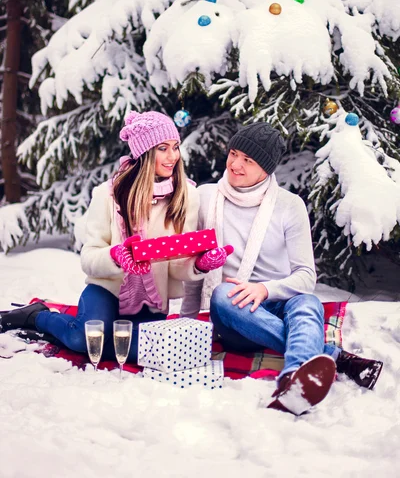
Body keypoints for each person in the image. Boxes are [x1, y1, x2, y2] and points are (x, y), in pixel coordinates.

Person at [181, 122, 383, 415]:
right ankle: (334, 357)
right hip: (235, 315)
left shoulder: (289, 206)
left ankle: (293, 380)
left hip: (276, 303)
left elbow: (305, 276)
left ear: (266, 168)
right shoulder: (207, 197)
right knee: (225, 293)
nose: (235, 164)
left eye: (248, 160)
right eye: (234, 154)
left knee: (307, 302)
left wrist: (264, 289)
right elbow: (192, 262)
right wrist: (188, 321)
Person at [0, 111, 230, 363]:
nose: (172, 156)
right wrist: (116, 256)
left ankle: (81, 335)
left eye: (175, 147)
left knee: (144, 352)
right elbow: (88, 258)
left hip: (150, 301)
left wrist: (198, 264)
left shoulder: (185, 195)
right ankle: (37, 316)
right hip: (107, 289)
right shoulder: (108, 194)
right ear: (143, 152)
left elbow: (175, 266)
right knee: (83, 341)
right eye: (162, 148)